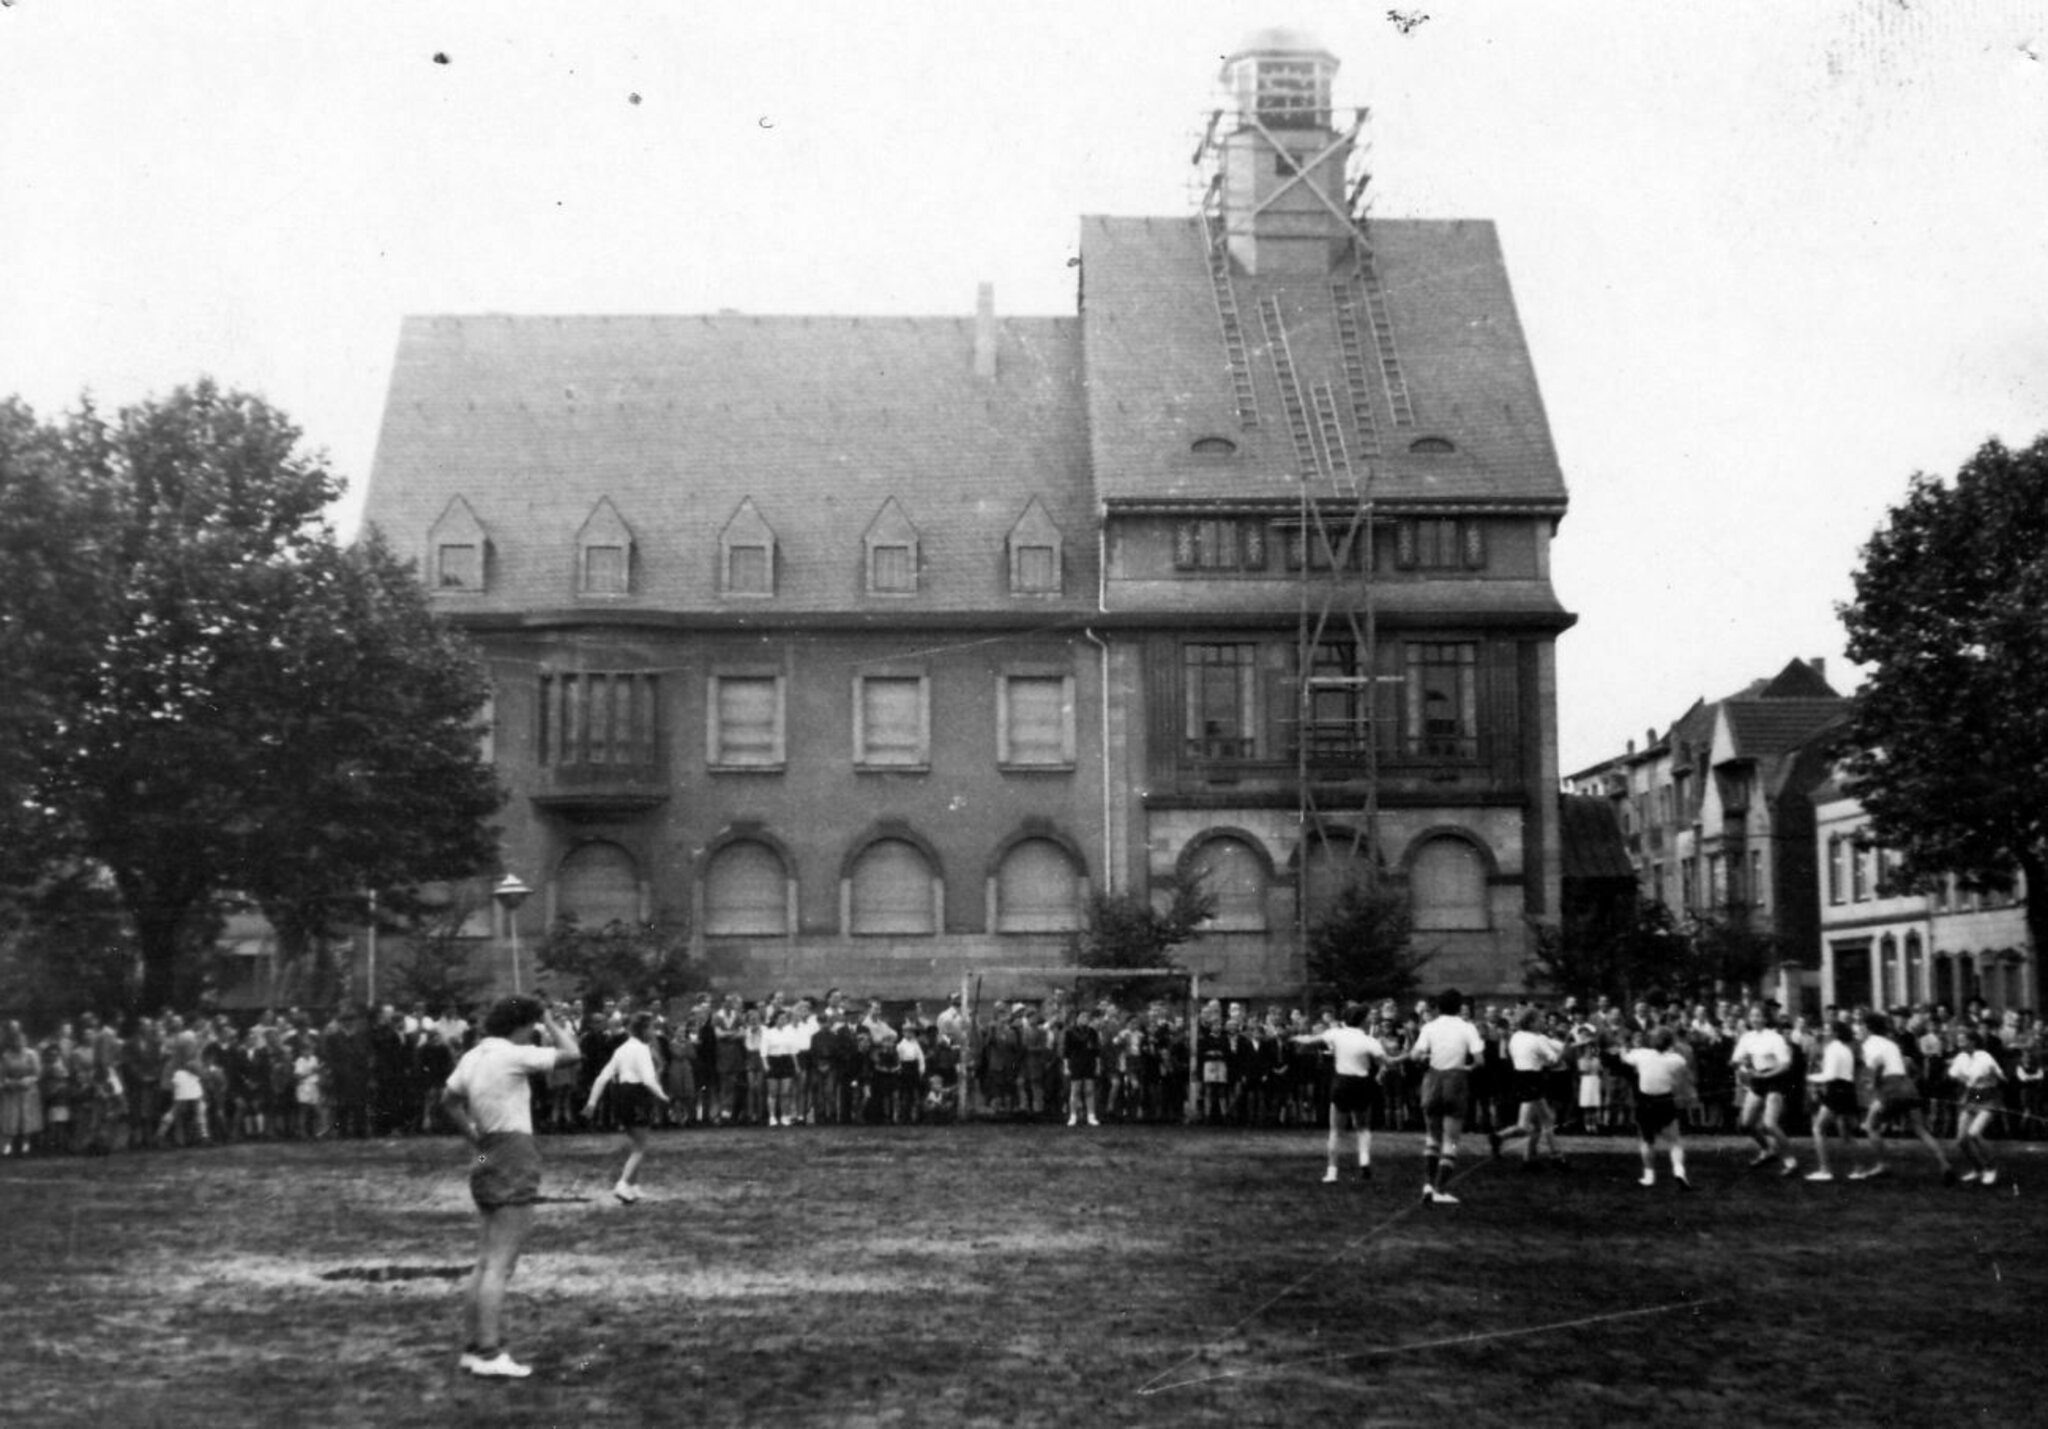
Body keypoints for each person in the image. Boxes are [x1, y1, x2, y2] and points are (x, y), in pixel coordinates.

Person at [440, 994, 583, 1380]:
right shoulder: (514, 1054)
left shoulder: (473, 1056)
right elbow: (572, 1054)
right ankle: (489, 1352)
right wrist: (551, 1022)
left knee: (486, 1259)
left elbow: (448, 1100)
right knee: (501, 1265)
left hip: (486, 1152)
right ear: (522, 1026)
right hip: (514, 1152)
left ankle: (474, 1349)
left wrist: (475, 1140)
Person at [1848, 1011, 1953, 1184]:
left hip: (1891, 1088)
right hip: (1908, 1085)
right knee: (1920, 1129)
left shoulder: (1869, 1044)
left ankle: (1883, 1164)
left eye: (1861, 1025)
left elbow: (1877, 1064)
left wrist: (1872, 1084)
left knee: (1871, 1126)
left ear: (1868, 1027)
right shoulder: (1891, 1043)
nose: (1859, 1028)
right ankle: (1945, 1164)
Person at [1292, 1004, 1390, 1183]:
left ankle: (1332, 1171)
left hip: (1342, 1083)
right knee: (1363, 1127)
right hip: (1362, 1084)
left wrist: (1294, 1037)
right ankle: (1364, 1161)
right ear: (1362, 1020)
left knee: (1335, 1130)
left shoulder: (1335, 1033)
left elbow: (1309, 1040)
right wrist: (1391, 1064)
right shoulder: (1369, 1040)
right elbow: (1385, 1062)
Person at [584, 1012, 673, 1202]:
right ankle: (623, 1184)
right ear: (643, 1029)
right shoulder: (641, 1049)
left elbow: (602, 1077)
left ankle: (633, 1185)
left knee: (636, 1142)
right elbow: (649, 1080)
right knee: (640, 1145)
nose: (653, 1031)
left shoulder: (621, 1049)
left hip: (620, 1096)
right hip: (637, 1095)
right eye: (650, 1027)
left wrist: (592, 1102)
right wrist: (664, 1097)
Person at [1409, 989, 1485, 1205]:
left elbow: (1415, 1055)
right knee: (1450, 1140)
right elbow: (1479, 1061)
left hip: (1433, 1080)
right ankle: (1440, 1189)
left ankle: (1427, 1184)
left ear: (1438, 1007)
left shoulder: (1429, 1027)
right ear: (1459, 1006)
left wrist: (1428, 1056)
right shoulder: (1467, 1027)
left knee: (1432, 1136)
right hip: (1456, 1080)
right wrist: (1467, 1068)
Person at [1489, 1008, 1566, 1171]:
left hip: (1520, 1078)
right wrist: (1564, 1048)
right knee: (1527, 1125)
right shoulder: (1537, 1039)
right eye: (1540, 1019)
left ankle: (1535, 1159)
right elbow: (1554, 1061)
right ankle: (1498, 1137)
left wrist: (1565, 1043)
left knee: (1543, 1122)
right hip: (1532, 1080)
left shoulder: (1517, 1036)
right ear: (1531, 1022)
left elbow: (1549, 1046)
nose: (1543, 1022)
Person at [1731, 1005, 1799, 1177]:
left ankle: (1791, 1161)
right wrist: (1742, 1065)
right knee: (1745, 1124)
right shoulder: (1746, 1037)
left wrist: (1766, 1075)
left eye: (1759, 1016)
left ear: (1766, 1019)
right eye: (1752, 1016)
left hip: (1775, 1081)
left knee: (1770, 1124)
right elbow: (1735, 1061)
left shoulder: (1775, 1038)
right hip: (1757, 1079)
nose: (1755, 1019)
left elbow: (1785, 1065)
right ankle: (1768, 1150)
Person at [1620, 1027, 1692, 1189]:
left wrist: (1623, 1046)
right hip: (1665, 1100)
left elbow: (1624, 1057)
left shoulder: (1641, 1054)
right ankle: (1679, 1171)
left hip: (1645, 1101)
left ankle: (1649, 1175)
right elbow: (1678, 1076)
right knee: (1675, 1141)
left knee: (1647, 1140)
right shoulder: (1677, 1059)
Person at [1802, 1018, 1860, 1182]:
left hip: (1836, 1091)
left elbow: (1830, 1075)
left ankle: (1824, 1170)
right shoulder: (1846, 1048)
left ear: (1834, 1033)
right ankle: (1858, 1169)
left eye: (1827, 1030)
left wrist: (1811, 1077)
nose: (1824, 1032)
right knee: (1846, 1134)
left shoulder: (1833, 1049)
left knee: (1818, 1128)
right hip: (1848, 1090)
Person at [1948, 1027, 2006, 1186]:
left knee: (1974, 1134)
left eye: (1963, 1039)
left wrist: (1992, 1075)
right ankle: (1978, 1168)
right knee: (1961, 1140)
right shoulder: (1961, 1057)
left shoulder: (1984, 1056)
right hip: (1972, 1096)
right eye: (1958, 1039)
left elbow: (2001, 1077)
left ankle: (1991, 1168)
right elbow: (1955, 1076)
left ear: (1972, 1041)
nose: (1959, 1042)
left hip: (1988, 1096)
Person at [1062, 1008, 1102, 1127]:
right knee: (1075, 1090)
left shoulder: (1092, 1032)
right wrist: (1066, 1067)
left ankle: (1091, 1115)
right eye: (1082, 1016)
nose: (1085, 1019)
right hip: (1076, 1063)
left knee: (1089, 1090)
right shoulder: (1070, 1032)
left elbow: (1096, 1052)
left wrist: (1098, 1066)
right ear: (1077, 1018)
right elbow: (1066, 1052)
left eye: (1087, 1017)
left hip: (1089, 1063)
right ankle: (1073, 1116)